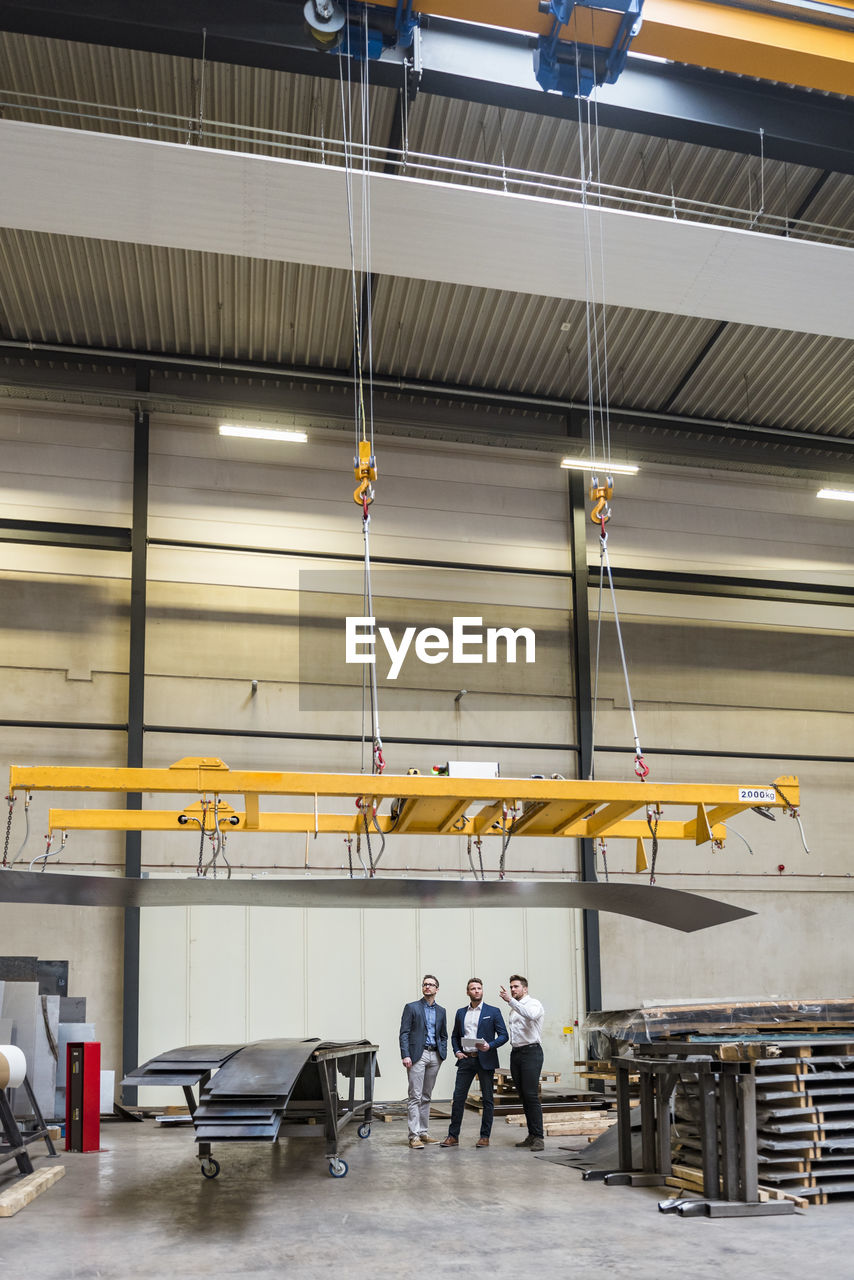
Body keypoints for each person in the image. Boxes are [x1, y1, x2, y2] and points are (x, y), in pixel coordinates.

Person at [440, 978, 508, 1149]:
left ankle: (485, 1137)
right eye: (473, 988)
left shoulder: (493, 1011)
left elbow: (503, 1035)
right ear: (467, 992)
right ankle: (453, 1136)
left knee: (488, 1100)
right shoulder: (461, 1013)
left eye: (479, 988)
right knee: (458, 1098)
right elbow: (455, 1036)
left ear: (482, 991)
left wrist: (489, 1045)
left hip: (485, 1060)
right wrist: (457, 1051)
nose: (476, 991)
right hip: (466, 1060)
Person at [399, 975, 448, 1149]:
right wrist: (406, 1055)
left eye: (431, 985)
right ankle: (413, 1136)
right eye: (425, 984)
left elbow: (443, 1034)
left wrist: (443, 1053)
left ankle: (423, 1133)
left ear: (437, 989)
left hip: (435, 1056)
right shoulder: (412, 1007)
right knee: (415, 1096)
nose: (427, 987)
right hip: (416, 1056)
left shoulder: (441, 1011)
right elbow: (404, 1033)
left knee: (426, 1096)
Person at [499, 974, 545, 1151]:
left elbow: (531, 1016)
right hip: (516, 1053)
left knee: (531, 1095)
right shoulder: (514, 1008)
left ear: (525, 989)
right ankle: (531, 1135)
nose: (512, 989)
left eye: (516, 987)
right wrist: (512, 1003)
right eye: (511, 987)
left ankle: (539, 1137)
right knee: (523, 1096)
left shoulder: (533, 1004)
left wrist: (511, 1001)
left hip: (531, 1052)